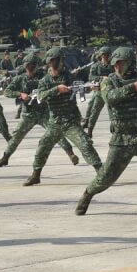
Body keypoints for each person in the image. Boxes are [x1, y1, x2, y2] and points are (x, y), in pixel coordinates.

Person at [74, 47, 137, 217]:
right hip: (121, 139)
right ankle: (88, 194)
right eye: (115, 64)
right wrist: (132, 88)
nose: (117, 67)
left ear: (130, 64)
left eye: (121, 63)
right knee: (107, 175)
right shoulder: (109, 81)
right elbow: (110, 97)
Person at [22, 47, 102, 186]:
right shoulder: (45, 80)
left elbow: (81, 86)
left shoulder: (68, 76)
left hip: (70, 121)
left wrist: (89, 87)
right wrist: (57, 89)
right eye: (60, 60)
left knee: (85, 145)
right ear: (53, 61)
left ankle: (101, 172)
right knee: (43, 146)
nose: (62, 62)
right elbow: (40, 96)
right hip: (55, 122)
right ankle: (36, 174)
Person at [0, 53, 79, 168]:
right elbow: (7, 91)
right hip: (28, 114)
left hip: (44, 112)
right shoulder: (20, 78)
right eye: (29, 66)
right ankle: (5, 157)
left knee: (56, 134)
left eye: (33, 65)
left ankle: (71, 154)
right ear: (25, 66)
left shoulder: (44, 77)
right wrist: (20, 94)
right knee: (17, 136)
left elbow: (56, 84)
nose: (31, 68)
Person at [84, 46, 113, 136]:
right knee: (94, 110)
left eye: (107, 55)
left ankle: (115, 129)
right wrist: (101, 78)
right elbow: (91, 77)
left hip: (111, 90)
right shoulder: (96, 66)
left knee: (113, 111)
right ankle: (89, 129)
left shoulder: (112, 65)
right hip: (99, 90)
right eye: (103, 55)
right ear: (100, 55)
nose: (105, 57)